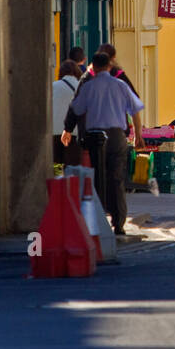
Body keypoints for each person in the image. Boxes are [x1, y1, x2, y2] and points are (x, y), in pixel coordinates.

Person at [62, 51, 144, 238]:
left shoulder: (88, 86)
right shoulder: (120, 85)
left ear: (94, 67)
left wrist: (68, 129)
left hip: (95, 136)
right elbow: (135, 108)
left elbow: (75, 109)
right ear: (109, 66)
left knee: (98, 177)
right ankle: (119, 223)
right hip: (116, 136)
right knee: (116, 179)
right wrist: (138, 134)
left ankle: (98, 221)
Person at [51, 60, 83, 166]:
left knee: (56, 169)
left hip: (53, 133)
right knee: (72, 170)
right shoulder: (82, 87)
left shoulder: (52, 86)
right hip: (74, 134)